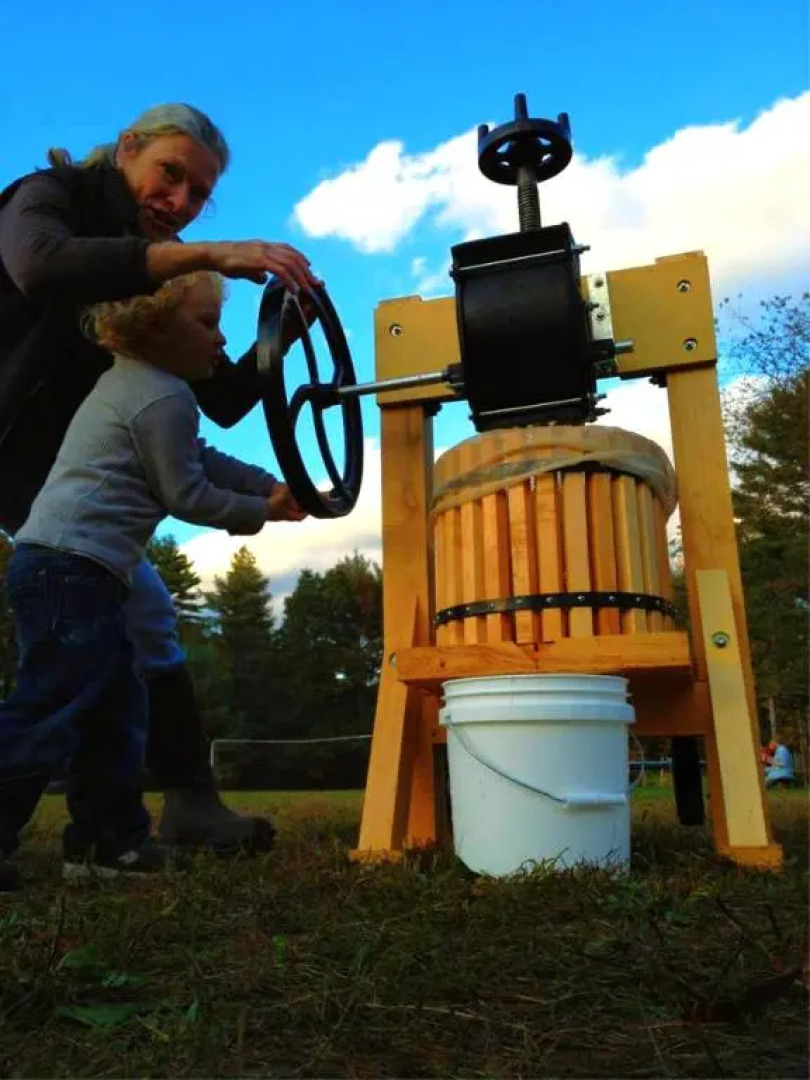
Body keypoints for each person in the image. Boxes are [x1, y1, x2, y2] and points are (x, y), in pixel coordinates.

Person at [0, 103, 317, 855]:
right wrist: (207, 253)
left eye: (199, 194)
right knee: (81, 650)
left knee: (138, 620)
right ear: (128, 149)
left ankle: (164, 810)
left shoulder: (158, 271)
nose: (179, 203)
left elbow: (221, 398)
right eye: (169, 175)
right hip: (12, 452)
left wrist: (284, 331)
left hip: (64, 467)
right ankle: (140, 811)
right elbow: (41, 265)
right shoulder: (47, 197)